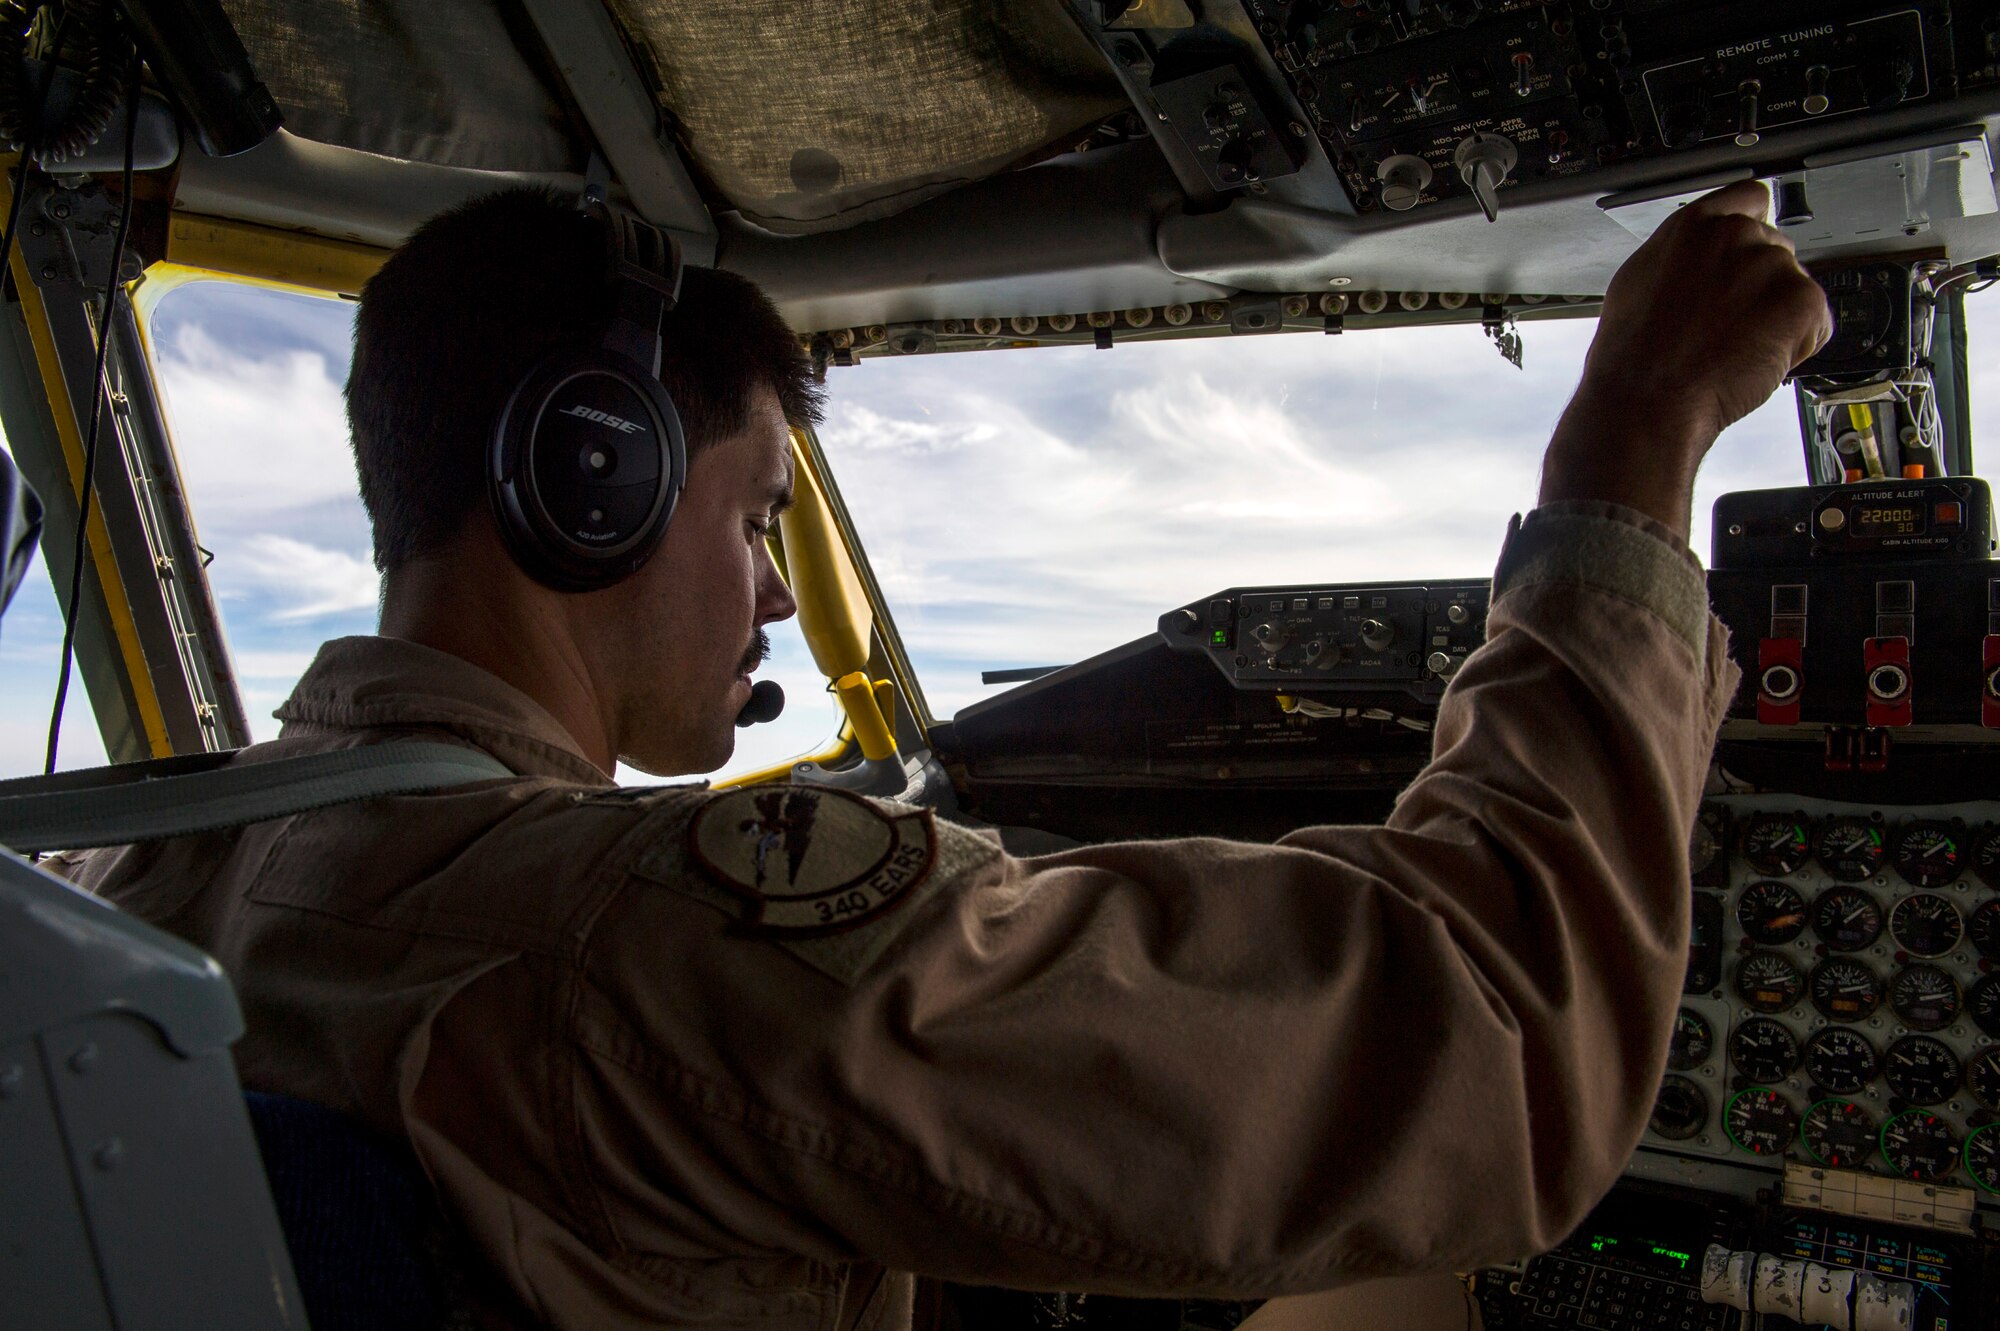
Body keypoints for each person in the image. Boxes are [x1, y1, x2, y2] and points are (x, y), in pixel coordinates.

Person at [53, 180, 1830, 1331]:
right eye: (755, 519)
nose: (767, 596)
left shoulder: (130, 885)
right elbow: (1494, 1032)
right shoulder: (652, 941)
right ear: (597, 479)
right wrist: (1634, 445)